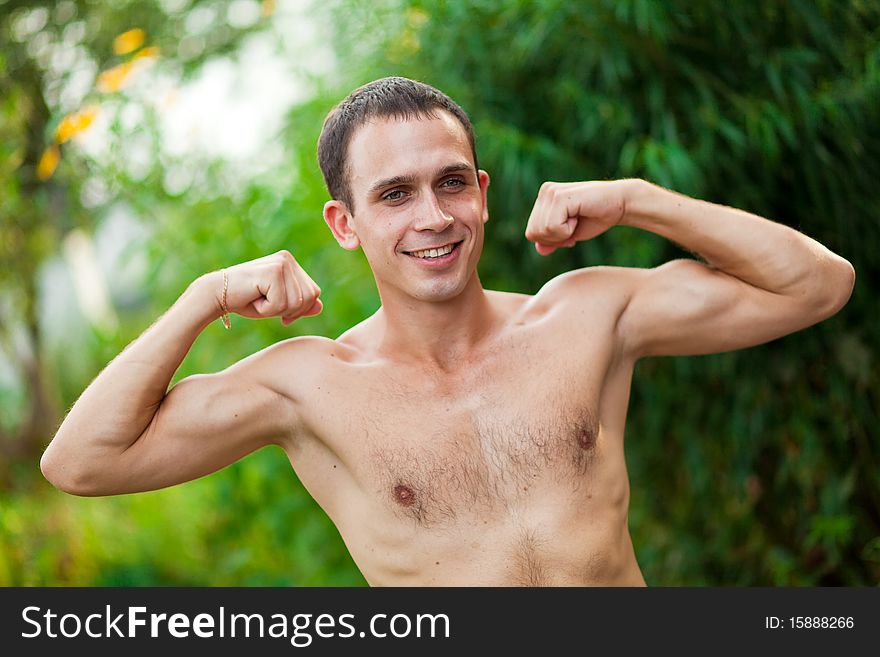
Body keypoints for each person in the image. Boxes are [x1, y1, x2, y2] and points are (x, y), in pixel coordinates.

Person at [41, 77, 855, 586]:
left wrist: (638, 197)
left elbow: (819, 283)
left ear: (483, 192)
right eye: (394, 194)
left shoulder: (583, 313)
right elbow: (81, 461)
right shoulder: (308, 384)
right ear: (345, 222)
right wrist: (203, 296)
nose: (433, 216)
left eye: (451, 182)